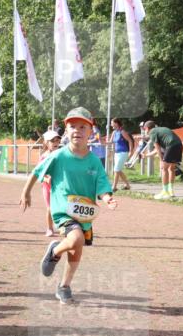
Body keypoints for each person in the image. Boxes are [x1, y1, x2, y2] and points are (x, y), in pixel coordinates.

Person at [20, 108, 117, 304]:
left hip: (85, 213)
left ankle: (64, 286)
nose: (77, 131)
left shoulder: (94, 162)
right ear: (66, 130)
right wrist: (26, 191)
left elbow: (102, 183)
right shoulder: (58, 156)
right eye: (72, 126)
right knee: (75, 239)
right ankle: (54, 251)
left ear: (91, 131)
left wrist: (107, 198)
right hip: (63, 211)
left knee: (76, 248)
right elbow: (37, 172)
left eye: (82, 127)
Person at [142, 120, 183, 199]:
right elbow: (158, 149)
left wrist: (161, 160)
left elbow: (157, 148)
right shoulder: (160, 130)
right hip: (179, 145)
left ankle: (165, 192)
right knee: (171, 168)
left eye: (144, 129)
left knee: (163, 168)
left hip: (171, 145)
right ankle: (171, 190)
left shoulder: (152, 132)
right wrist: (146, 155)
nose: (145, 131)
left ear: (147, 128)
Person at [38, 129, 62, 236]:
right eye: (53, 141)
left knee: (62, 207)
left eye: (57, 140)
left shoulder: (61, 155)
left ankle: (62, 227)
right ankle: (49, 229)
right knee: (50, 208)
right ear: (46, 143)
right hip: (47, 187)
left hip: (59, 186)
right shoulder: (44, 157)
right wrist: (47, 178)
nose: (56, 143)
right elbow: (40, 174)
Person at [107, 117, 134, 191]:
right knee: (118, 170)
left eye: (112, 123)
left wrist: (131, 151)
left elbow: (130, 141)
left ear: (116, 123)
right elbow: (110, 142)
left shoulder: (122, 131)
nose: (111, 125)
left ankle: (114, 187)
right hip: (116, 153)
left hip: (123, 153)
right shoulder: (114, 132)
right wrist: (101, 141)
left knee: (116, 170)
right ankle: (127, 185)